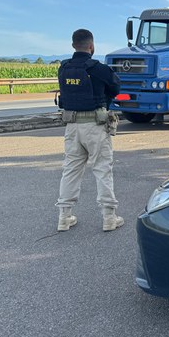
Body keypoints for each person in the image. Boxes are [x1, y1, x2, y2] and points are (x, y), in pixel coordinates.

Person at [55, 29, 123, 232]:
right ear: (91, 46)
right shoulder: (98, 68)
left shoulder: (64, 68)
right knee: (102, 170)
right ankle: (109, 218)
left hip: (72, 127)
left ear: (73, 45)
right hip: (96, 126)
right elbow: (115, 88)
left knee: (71, 171)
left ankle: (64, 218)